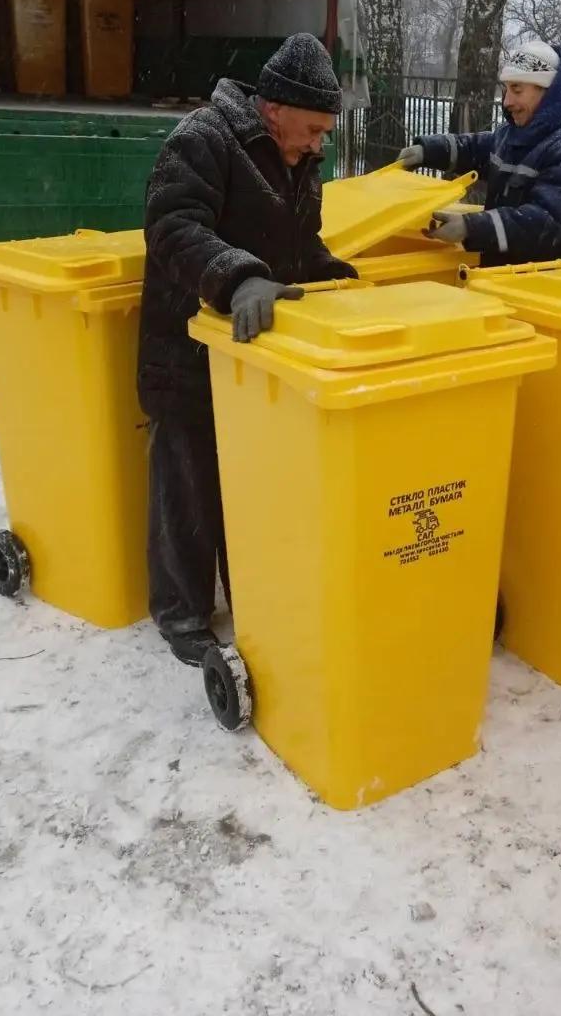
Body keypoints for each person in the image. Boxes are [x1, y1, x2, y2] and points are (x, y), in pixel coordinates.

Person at [137, 34, 357, 666]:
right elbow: (173, 227)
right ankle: (181, 616)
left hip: (250, 361)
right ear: (273, 109)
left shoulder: (299, 162)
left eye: (324, 132)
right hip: (185, 351)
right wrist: (238, 276)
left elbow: (299, 244)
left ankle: (248, 596)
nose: (319, 144)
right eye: (313, 129)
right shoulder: (204, 139)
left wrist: (330, 273)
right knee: (187, 488)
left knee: (245, 487)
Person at [398, 41, 561, 265]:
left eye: (517, 90)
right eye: (506, 90)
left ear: (547, 91)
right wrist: (428, 150)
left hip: (553, 286)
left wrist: (471, 228)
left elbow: (543, 222)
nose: (507, 101)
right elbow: (476, 149)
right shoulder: (516, 134)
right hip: (502, 277)